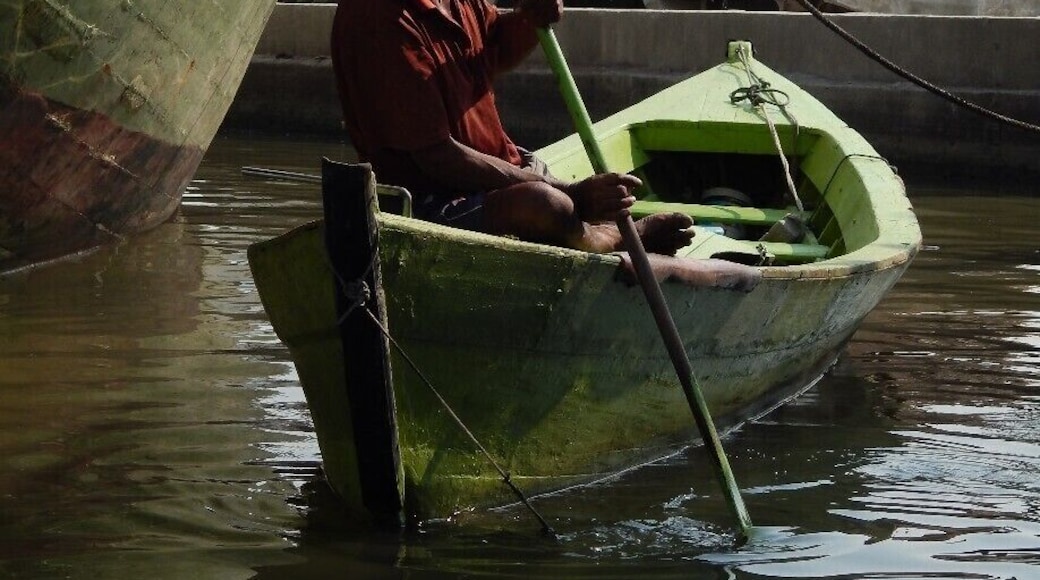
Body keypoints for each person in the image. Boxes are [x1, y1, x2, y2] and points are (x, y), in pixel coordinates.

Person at [330, 0, 694, 256]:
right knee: (547, 202)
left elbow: (495, 48)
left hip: (494, 172)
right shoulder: (379, 15)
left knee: (544, 185)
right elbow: (435, 157)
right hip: (427, 203)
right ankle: (612, 239)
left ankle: (587, 223)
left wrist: (529, 19)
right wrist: (564, 190)